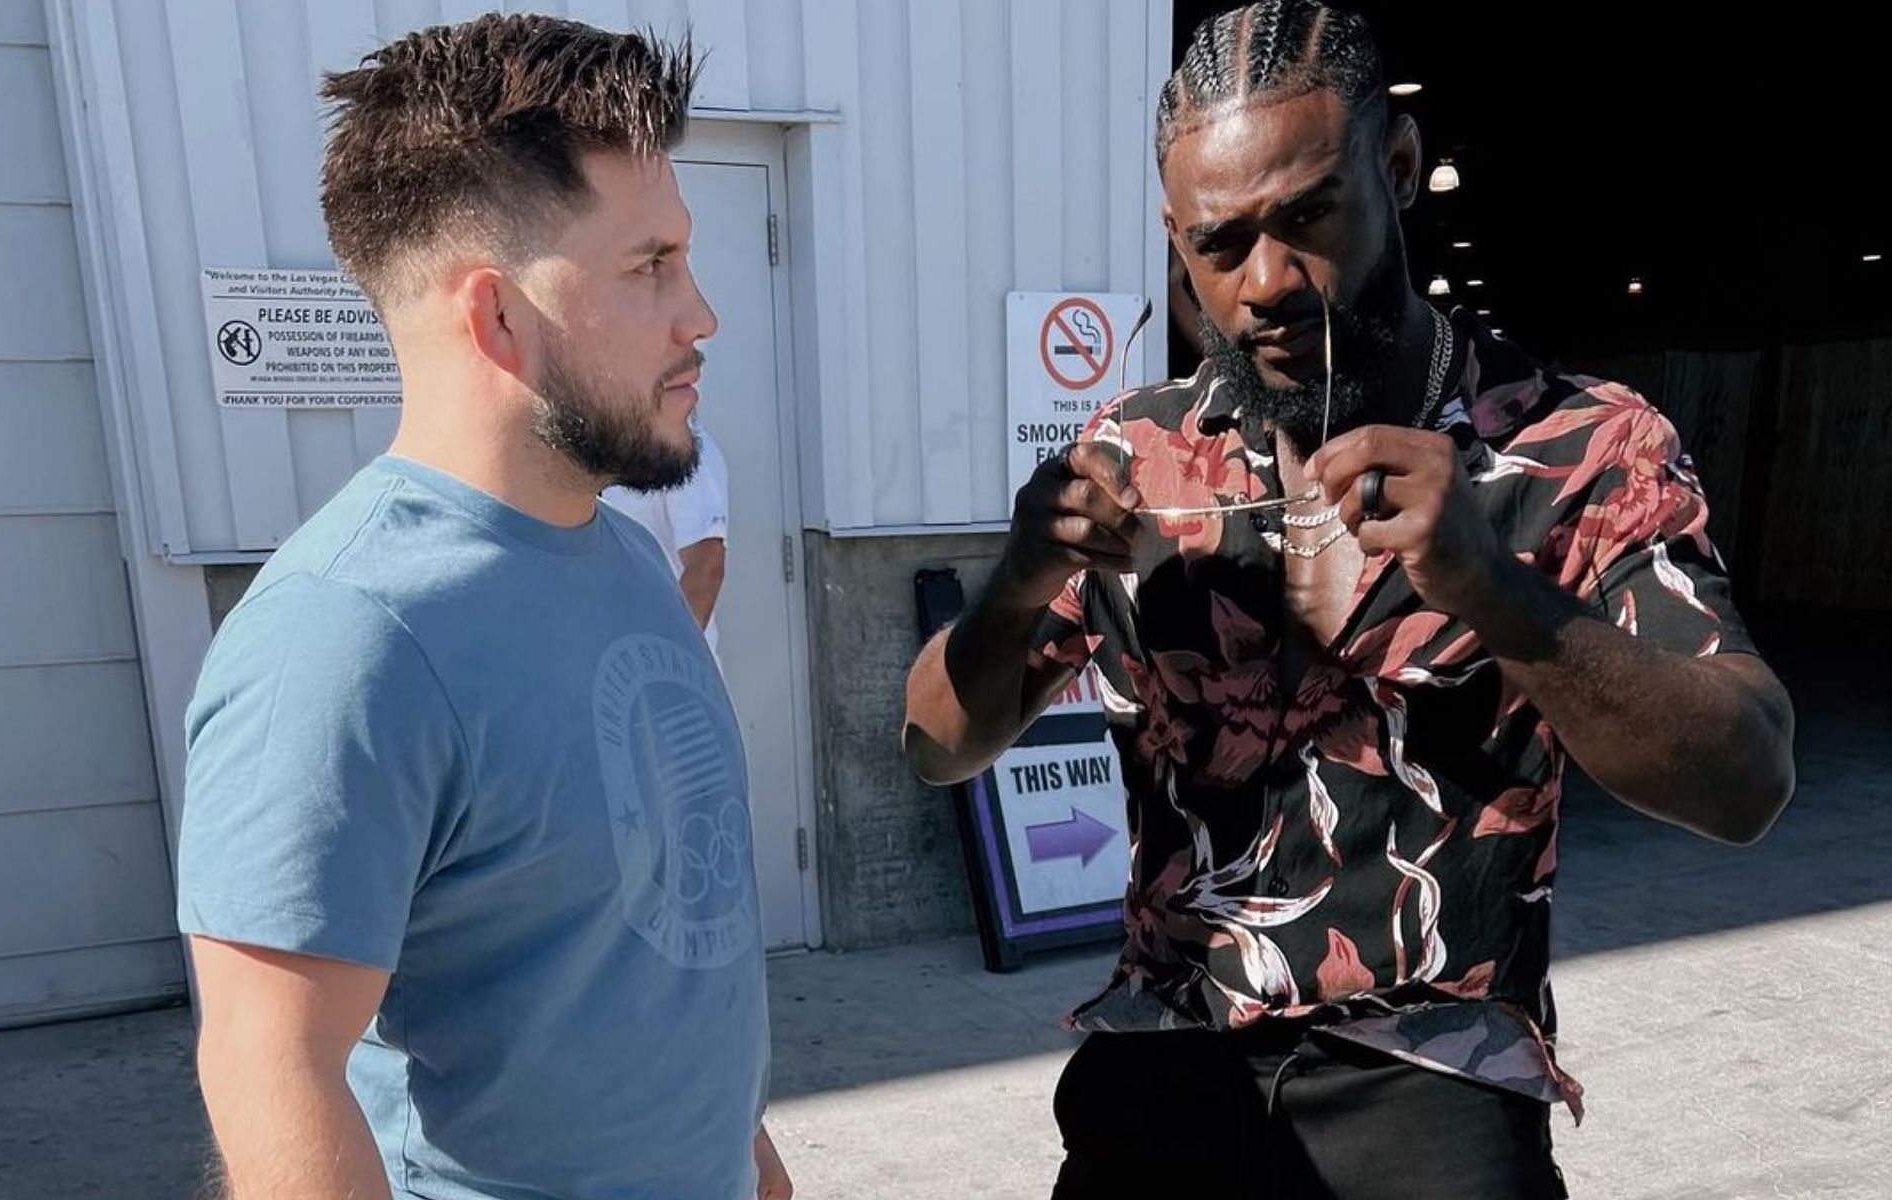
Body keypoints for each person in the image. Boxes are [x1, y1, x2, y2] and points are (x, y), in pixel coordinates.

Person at [903, 3, 1795, 1196]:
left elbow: (1749, 780)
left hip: (1430, 1084)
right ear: (1177, 242)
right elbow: (934, 747)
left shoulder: (1575, 447)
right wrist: (1017, 584)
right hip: (1169, 1064)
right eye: (1220, 246)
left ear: (1398, 167)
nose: (1266, 282)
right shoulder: (1141, 456)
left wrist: (1494, 589)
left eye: (1308, 215)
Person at [175, 16, 790, 1200]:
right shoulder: (344, 636)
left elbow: (657, 949)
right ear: (498, 316)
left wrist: (754, 1168)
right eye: (648, 265)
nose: (700, 314)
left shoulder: (623, 558)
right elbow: (272, 1076)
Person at [603, 414, 729, 655]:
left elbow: (707, 567)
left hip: (660, 670)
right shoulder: (612, 450)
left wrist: (666, 656)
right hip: (613, 662)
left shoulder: (689, 449)